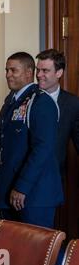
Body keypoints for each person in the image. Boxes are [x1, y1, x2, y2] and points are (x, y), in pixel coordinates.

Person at [0, 52, 63, 228]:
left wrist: (22, 187)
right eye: (7, 70)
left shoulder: (41, 102)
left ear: (29, 73)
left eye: (13, 70)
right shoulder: (11, 101)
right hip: (9, 191)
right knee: (11, 250)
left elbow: (43, 149)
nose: (8, 74)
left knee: (36, 252)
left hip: (34, 194)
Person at [35, 49, 79, 178]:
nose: (38, 74)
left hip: (54, 178)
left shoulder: (72, 103)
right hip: (25, 178)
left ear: (59, 73)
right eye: (38, 70)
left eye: (45, 71)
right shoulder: (28, 99)